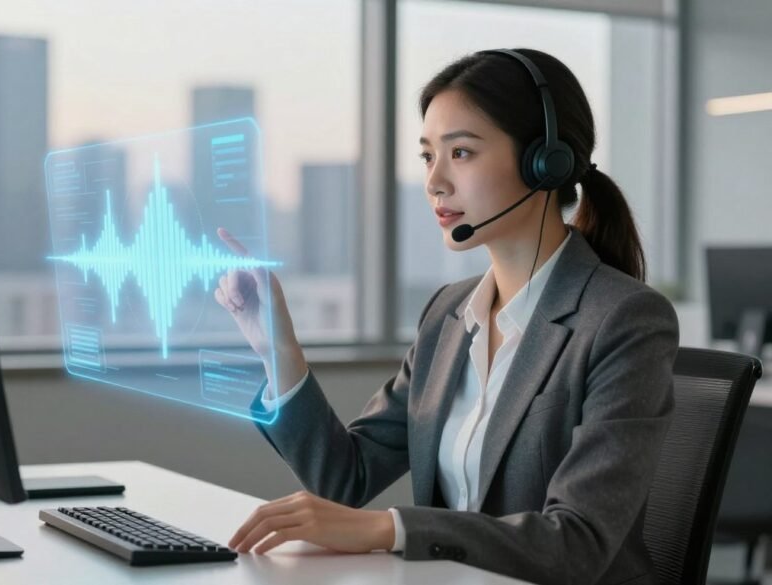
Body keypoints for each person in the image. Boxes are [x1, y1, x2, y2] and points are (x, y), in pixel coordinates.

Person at [212, 48, 678, 585]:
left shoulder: (624, 320)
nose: (435, 181)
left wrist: (390, 530)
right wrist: (278, 348)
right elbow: (344, 479)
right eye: (428, 156)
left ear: (546, 162)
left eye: (461, 153)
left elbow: (577, 543)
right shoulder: (448, 317)